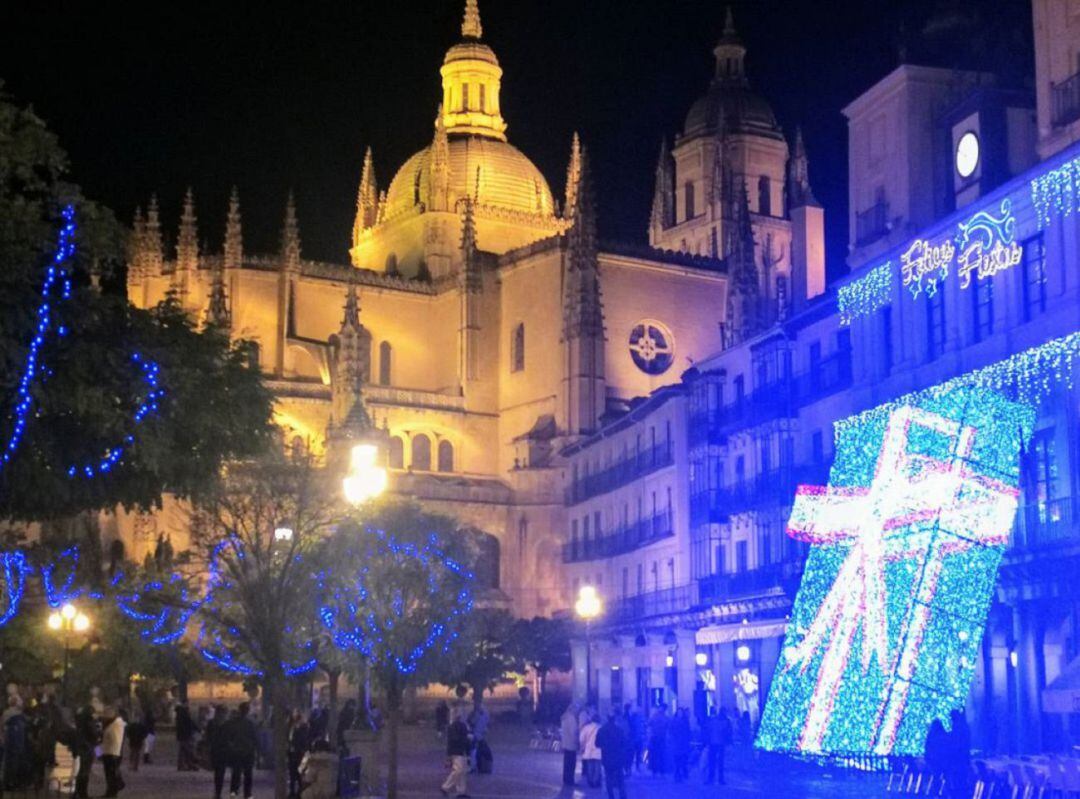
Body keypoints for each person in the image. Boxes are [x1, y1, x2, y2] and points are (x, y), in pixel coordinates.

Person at [226, 702, 258, 799]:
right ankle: (247, 794)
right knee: (248, 773)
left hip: (237, 751)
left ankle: (234, 791)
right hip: (248, 751)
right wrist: (255, 748)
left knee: (236, 772)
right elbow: (255, 737)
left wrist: (231, 746)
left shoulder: (234, 722)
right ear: (247, 710)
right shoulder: (251, 723)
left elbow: (229, 736)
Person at [595, 712, 629, 799]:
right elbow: (624, 743)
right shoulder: (619, 730)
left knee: (608, 777)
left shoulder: (601, 730)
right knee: (620, 778)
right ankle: (622, 796)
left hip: (606, 757)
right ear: (614, 719)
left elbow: (597, 744)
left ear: (607, 718)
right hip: (618, 757)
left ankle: (611, 796)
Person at [441, 709, 472, 798]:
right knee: (459, 770)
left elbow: (452, 741)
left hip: (458, 750)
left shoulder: (459, 726)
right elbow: (454, 740)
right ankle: (446, 787)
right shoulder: (455, 726)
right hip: (457, 751)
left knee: (461, 771)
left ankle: (461, 791)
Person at [72, 705, 99, 799]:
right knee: (85, 772)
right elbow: (95, 736)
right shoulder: (89, 722)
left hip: (82, 748)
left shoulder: (80, 722)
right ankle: (83, 794)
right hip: (88, 748)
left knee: (81, 771)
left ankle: (76, 793)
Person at [207, 705, 232, 799]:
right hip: (224, 750)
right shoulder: (228, 724)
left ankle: (217, 792)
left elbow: (208, 737)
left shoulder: (211, 723)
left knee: (218, 772)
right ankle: (220, 791)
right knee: (221, 771)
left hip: (215, 750)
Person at [100, 707, 126, 797]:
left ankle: (113, 790)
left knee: (111, 774)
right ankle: (111, 791)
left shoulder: (115, 724)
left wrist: (98, 753)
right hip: (110, 752)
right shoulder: (115, 724)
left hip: (111, 753)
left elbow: (101, 740)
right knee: (110, 774)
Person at [947, 709, 972, 799]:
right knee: (961, 780)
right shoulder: (963, 726)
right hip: (962, 759)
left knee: (958, 780)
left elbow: (956, 744)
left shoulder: (957, 727)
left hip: (958, 760)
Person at [704, 706, 732, 785]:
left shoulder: (713, 720)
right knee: (720, 762)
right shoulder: (726, 721)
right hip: (720, 743)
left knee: (712, 761)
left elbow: (708, 730)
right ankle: (720, 779)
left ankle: (711, 778)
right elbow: (728, 732)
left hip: (713, 743)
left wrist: (707, 741)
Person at [287, 709, 310, 799]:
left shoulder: (301, 729)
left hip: (299, 754)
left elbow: (301, 741)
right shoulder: (293, 728)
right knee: (295, 773)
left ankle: (299, 791)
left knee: (298, 773)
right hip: (297, 754)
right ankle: (295, 791)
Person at [579, 710, 602, 788]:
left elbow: (581, 738)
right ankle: (596, 782)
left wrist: (582, 746)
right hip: (598, 750)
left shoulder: (586, 727)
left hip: (588, 750)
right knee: (597, 767)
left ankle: (590, 781)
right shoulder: (600, 728)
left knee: (590, 766)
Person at [175, 702, 199, 771]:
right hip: (186, 735)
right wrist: (198, 730)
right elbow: (191, 723)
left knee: (183, 751)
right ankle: (190, 764)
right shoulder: (185, 715)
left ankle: (184, 765)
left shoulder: (179, 716)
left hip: (182, 735)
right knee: (189, 750)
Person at [560, 702, 579, 787]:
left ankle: (566, 779)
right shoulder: (571, 718)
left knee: (566, 763)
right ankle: (570, 780)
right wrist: (577, 742)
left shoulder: (564, 717)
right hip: (571, 744)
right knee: (571, 764)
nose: (577, 711)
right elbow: (574, 732)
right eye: (577, 709)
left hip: (566, 743)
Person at [669, 707, 692, 782]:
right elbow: (671, 731)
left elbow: (688, 732)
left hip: (683, 743)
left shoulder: (685, 721)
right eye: (679, 713)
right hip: (677, 743)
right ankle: (678, 774)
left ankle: (681, 773)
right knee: (677, 759)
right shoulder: (674, 721)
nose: (680, 714)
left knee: (683, 758)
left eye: (681, 713)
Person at [647, 706, 668, 775]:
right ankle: (661, 770)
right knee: (661, 754)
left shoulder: (654, 717)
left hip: (656, 738)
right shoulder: (664, 717)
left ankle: (655, 770)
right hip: (660, 738)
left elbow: (648, 724)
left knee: (655, 755)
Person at [627, 705, 646, 773]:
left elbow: (643, 728)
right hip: (635, 739)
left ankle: (635, 767)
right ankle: (631, 767)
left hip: (637, 739)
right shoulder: (633, 718)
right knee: (633, 754)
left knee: (637, 754)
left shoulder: (639, 718)